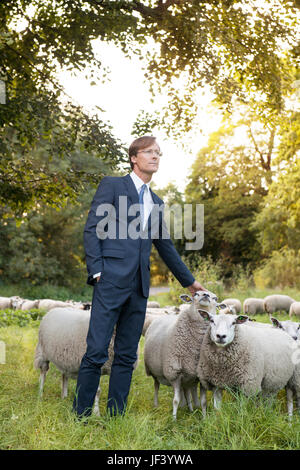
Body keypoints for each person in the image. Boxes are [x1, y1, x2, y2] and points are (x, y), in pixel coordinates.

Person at [73, 135, 206, 419]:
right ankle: (81, 415)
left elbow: (165, 247)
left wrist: (190, 282)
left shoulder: (156, 201)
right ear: (134, 157)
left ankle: (116, 416)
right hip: (109, 280)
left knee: (126, 355)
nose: (156, 157)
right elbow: (92, 228)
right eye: (149, 152)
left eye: (159, 153)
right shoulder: (112, 185)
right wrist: (97, 271)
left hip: (139, 287)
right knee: (96, 350)